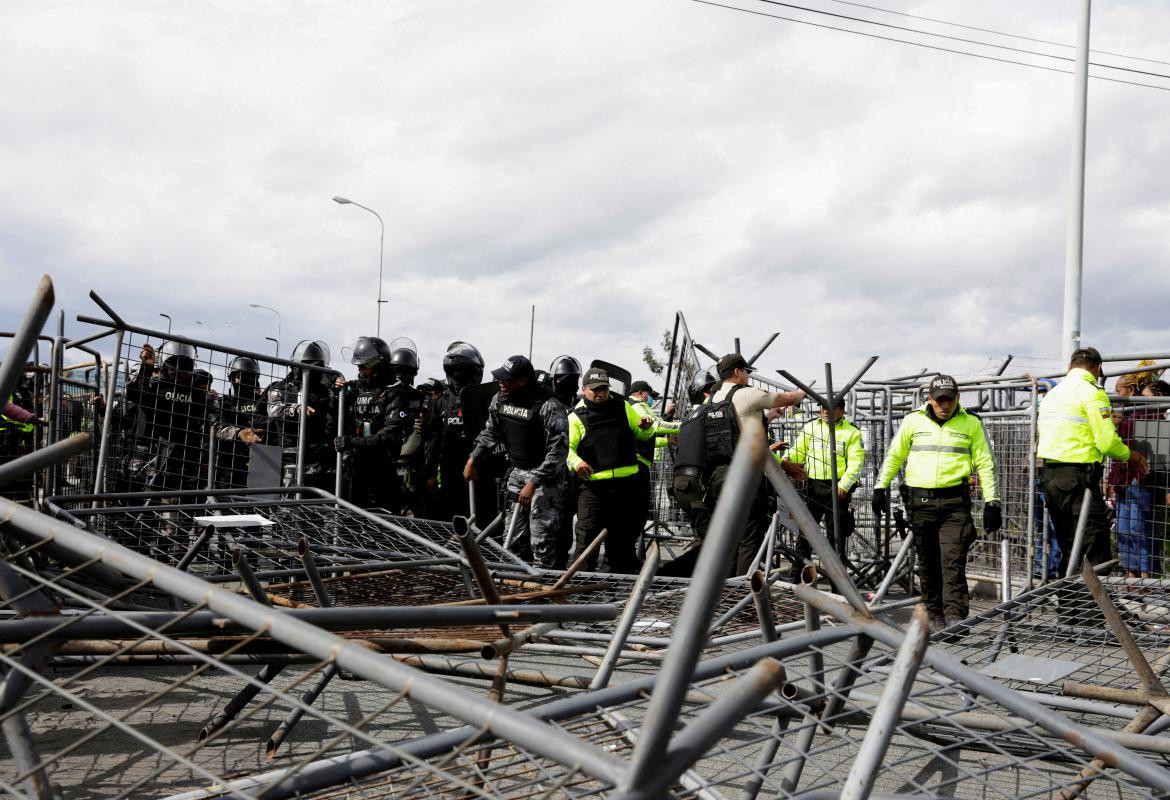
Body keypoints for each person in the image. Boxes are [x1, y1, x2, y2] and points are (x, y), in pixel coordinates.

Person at [872, 374, 999, 631]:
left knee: (952, 560)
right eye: (939, 400)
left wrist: (992, 500)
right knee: (928, 561)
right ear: (929, 399)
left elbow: (985, 462)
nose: (945, 406)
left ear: (957, 399)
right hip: (921, 502)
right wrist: (880, 486)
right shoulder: (912, 421)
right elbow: (895, 455)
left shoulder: (971, 424)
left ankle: (954, 617)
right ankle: (934, 612)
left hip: (955, 503)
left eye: (949, 400)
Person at [1037, 347, 1148, 583]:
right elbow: (1107, 442)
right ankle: (1090, 617)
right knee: (1094, 548)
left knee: (1070, 547)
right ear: (1098, 369)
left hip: (1051, 478)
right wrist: (1133, 456)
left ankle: (1069, 613)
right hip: (1078, 479)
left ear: (1070, 367)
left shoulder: (1052, 395)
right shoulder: (1092, 393)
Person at [464, 355, 568, 569]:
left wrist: (534, 483)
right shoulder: (500, 399)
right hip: (517, 473)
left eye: (506, 379)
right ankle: (512, 585)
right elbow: (490, 432)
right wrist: (473, 458)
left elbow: (558, 451)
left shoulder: (549, 406)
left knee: (542, 541)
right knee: (511, 540)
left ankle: (543, 590)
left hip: (545, 479)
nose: (501, 382)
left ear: (522, 380)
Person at [708, 353, 805, 575]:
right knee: (749, 540)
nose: (748, 377)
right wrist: (803, 393)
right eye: (746, 372)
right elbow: (788, 398)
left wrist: (767, 417)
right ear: (737, 372)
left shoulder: (713, 399)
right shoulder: (745, 394)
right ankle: (745, 600)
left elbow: (737, 427)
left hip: (719, 476)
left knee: (729, 539)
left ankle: (725, 594)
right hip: (745, 476)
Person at [566, 367, 656, 573]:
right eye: (595, 389)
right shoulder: (576, 416)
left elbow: (643, 435)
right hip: (594, 490)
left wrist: (645, 428)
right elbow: (568, 452)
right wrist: (578, 463)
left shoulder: (623, 407)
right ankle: (579, 595)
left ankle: (614, 596)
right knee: (587, 542)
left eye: (604, 389)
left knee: (621, 544)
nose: (601, 394)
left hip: (626, 488)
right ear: (584, 389)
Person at [784, 395, 865, 581]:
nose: (826, 411)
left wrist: (844, 486)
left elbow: (856, 463)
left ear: (842, 410)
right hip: (812, 487)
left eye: (831, 407)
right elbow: (799, 450)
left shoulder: (852, 432)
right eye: (823, 407)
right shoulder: (810, 427)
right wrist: (788, 458)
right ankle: (797, 575)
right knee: (805, 534)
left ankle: (838, 583)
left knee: (835, 538)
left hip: (837, 490)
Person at [123, 341, 214, 491]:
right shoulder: (155, 387)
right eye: (175, 371)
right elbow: (134, 393)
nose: (179, 375)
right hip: (155, 454)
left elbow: (210, 417)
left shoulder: (197, 394)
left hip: (186, 457)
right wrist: (146, 369)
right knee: (146, 496)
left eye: (183, 371)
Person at [425, 341, 495, 521]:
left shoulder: (487, 399)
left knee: (481, 522)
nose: (457, 377)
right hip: (449, 474)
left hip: (480, 472)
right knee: (449, 521)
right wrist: (431, 473)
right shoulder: (441, 402)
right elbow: (433, 440)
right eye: (454, 373)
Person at [333, 336, 404, 510]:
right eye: (358, 364)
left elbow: (390, 435)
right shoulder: (356, 388)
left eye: (364, 364)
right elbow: (334, 413)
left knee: (385, 521)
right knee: (353, 520)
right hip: (357, 467)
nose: (359, 367)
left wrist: (352, 442)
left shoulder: (395, 391)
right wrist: (337, 392)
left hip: (384, 467)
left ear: (378, 364)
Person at [266, 340, 337, 490]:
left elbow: (332, 417)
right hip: (287, 457)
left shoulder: (325, 392)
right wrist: (295, 409)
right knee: (286, 503)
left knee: (312, 504)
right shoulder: (280, 389)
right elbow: (273, 410)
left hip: (315, 457)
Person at [627, 379, 680, 526]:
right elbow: (656, 426)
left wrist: (668, 440)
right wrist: (684, 425)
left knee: (641, 505)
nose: (651, 399)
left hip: (639, 462)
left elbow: (649, 437)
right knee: (638, 508)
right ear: (640, 393)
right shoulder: (637, 406)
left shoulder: (634, 406)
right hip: (637, 463)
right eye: (649, 395)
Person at [213, 355, 267, 489]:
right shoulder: (224, 403)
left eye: (247, 377)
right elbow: (215, 427)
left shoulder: (265, 404)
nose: (239, 381)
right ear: (232, 379)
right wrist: (238, 433)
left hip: (262, 462)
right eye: (236, 377)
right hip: (230, 464)